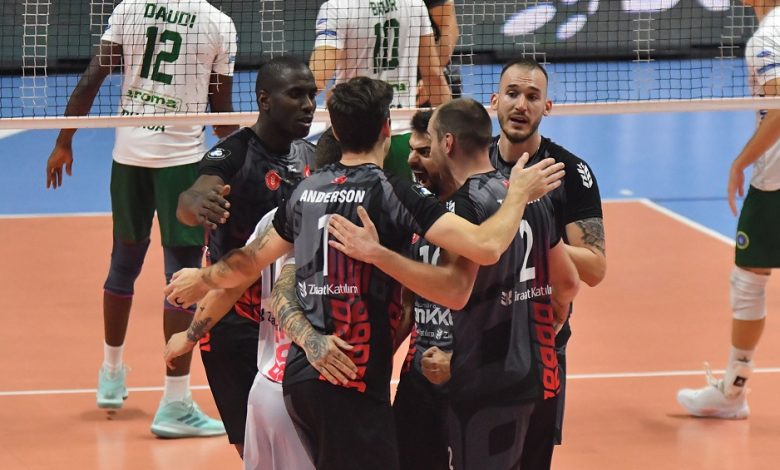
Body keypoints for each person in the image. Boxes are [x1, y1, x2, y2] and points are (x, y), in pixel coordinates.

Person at [163, 77, 564, 470]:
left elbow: (249, 263)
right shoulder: (392, 193)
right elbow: (486, 247)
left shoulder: (304, 192)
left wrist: (203, 279)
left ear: (335, 130)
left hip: (300, 379)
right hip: (349, 376)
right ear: (387, 128)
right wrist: (517, 196)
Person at [326, 98, 579, 469]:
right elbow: (567, 284)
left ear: (447, 143)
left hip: (474, 382)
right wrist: (532, 328)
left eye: (428, 143)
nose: (418, 156)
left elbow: (456, 289)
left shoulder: (463, 207)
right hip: (526, 377)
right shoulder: (531, 198)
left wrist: (377, 255)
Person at [45, 0, 237, 438]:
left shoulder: (129, 8)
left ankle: (111, 374)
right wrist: (255, 149)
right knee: (182, 279)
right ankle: (175, 403)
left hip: (128, 158)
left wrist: (63, 140)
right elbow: (223, 112)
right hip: (182, 166)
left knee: (122, 265)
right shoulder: (218, 23)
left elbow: (93, 77)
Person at [173, 56, 318, 456]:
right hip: (233, 320)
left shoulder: (312, 157)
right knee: (251, 446)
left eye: (311, 95)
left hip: (295, 318)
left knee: (307, 442)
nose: (308, 105)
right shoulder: (233, 154)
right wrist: (197, 205)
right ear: (264, 100)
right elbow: (191, 198)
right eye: (296, 95)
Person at [489, 58, 607, 469]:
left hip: (542, 343)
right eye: (512, 94)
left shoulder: (569, 171)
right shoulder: (473, 163)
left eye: (532, 96)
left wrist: (525, 236)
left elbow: (594, 267)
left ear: (547, 107)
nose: (521, 105)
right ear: (495, 101)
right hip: (480, 339)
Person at [676, 0, 780, 419]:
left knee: (748, 281)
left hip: (775, 181)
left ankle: (733, 393)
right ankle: (733, 390)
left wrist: (739, 162)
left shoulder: (766, 38)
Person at [309, 0, 451, 108]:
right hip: (402, 126)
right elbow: (434, 76)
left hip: (353, 125)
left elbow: (317, 80)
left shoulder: (337, 7)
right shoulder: (416, 4)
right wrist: (451, 129)